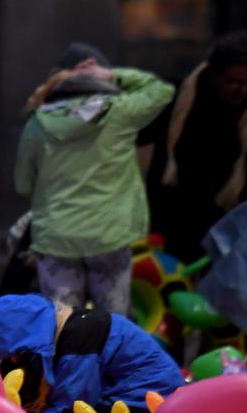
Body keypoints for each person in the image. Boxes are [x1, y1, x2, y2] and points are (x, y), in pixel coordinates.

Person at [15, 42, 173, 316]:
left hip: (57, 238)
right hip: (109, 235)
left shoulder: (37, 122)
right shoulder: (121, 112)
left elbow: (23, 184)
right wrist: (112, 75)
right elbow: (161, 91)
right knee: (112, 324)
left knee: (63, 326)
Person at [0, 293, 185, 413]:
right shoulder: (63, 328)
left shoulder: (79, 342)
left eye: (15, 352)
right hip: (124, 398)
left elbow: (72, 406)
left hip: (153, 406)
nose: (14, 359)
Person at [142, 30, 247, 264]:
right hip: (176, 217)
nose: (239, 89)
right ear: (213, 73)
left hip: (230, 222)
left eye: (245, 82)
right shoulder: (179, 97)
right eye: (231, 81)